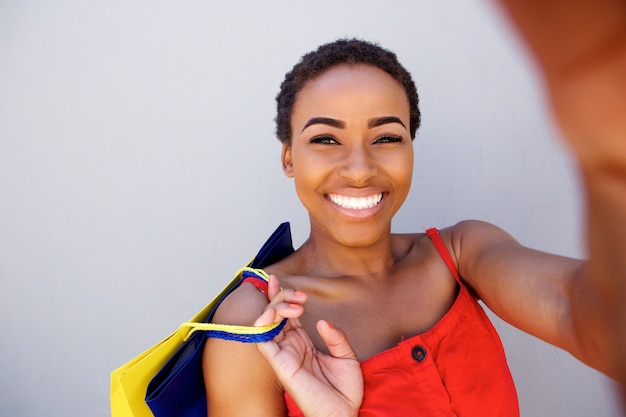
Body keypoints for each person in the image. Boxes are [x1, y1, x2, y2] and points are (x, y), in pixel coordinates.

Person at [202, 1, 626, 415]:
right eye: (326, 140)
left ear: (410, 149)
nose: (358, 169)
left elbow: (595, 319)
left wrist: (607, 152)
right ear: (288, 158)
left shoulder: (462, 254)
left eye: (386, 138)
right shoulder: (256, 324)